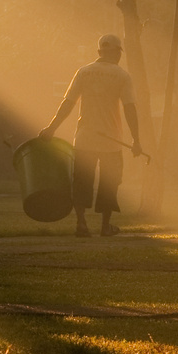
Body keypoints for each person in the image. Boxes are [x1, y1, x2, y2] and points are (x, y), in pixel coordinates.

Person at [40, 33, 143, 237]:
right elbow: (130, 108)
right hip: (111, 141)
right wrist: (136, 140)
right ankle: (105, 227)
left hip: (85, 138)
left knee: (82, 181)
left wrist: (51, 128)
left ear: (99, 52)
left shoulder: (83, 72)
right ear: (116, 52)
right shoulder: (122, 76)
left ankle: (81, 223)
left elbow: (68, 103)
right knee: (110, 182)